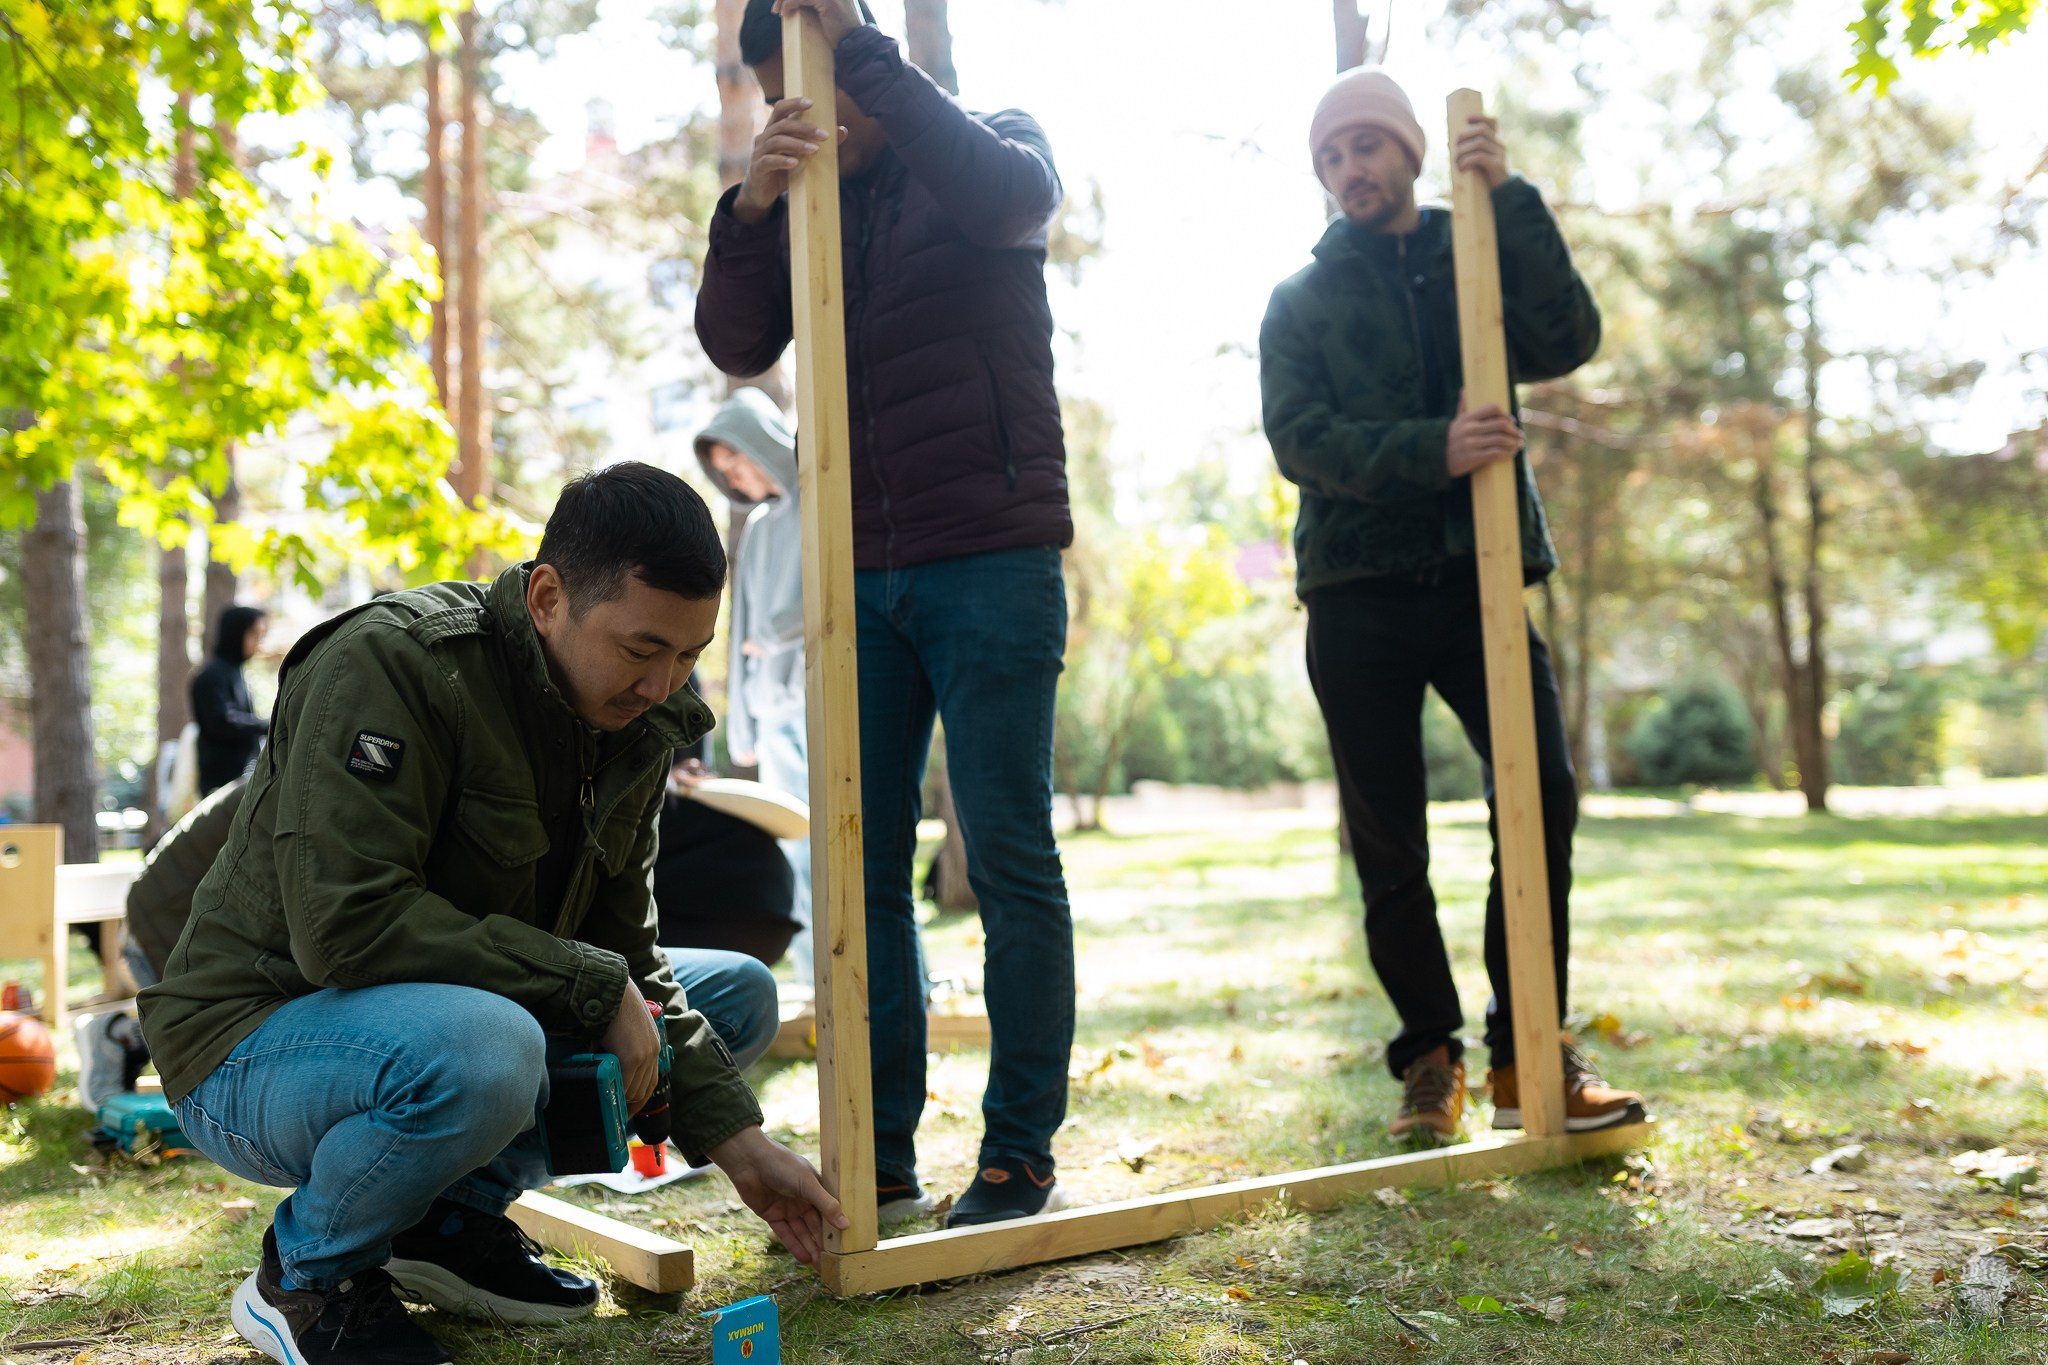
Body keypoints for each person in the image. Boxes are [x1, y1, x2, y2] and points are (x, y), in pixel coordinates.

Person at [138, 463, 845, 1365]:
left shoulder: (635, 723)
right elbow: (346, 929)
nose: (664, 684)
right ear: (548, 596)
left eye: (690, 654)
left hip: (443, 1018)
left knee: (736, 994)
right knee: (491, 1048)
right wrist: (593, 982)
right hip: (251, 1042)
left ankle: (443, 1225)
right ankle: (307, 1277)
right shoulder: (393, 664)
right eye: (640, 650)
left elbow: (628, 947)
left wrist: (740, 1144)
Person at [696, 0, 1076, 1228]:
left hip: (992, 559)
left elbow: (1006, 201)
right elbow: (733, 339)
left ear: (863, 60)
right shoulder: (810, 208)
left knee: (1009, 855)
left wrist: (861, 50)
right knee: (859, 876)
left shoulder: (981, 141)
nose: (794, 108)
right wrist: (750, 204)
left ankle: (1017, 1153)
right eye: (771, 91)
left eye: (810, 78)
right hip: (857, 577)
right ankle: (883, 1152)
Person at [1259, 70, 1645, 1142]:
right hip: (1354, 593)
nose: (1350, 171)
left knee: (1542, 800)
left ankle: (1530, 1049)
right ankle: (1428, 1058)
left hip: (1477, 580)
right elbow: (1302, 441)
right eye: (1332, 157)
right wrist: (1433, 449)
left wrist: (1508, 200)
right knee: (1387, 840)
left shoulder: (1465, 252)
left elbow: (1566, 336)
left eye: (1366, 149)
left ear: (1407, 154)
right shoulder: (1299, 300)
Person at [81, 771, 783, 1114]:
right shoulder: (363, 741)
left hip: (205, 912)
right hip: (170, 924)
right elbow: (348, 936)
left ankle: (461, 1213)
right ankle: (119, 1033)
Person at [694, 388, 814, 979]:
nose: (736, 475)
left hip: (820, 709)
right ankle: (825, 986)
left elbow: (830, 605)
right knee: (799, 859)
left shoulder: (822, 502)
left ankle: (893, 987)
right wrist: (741, 727)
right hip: (772, 721)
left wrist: (775, 635)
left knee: (848, 853)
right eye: (724, 472)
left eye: (737, 458)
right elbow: (741, 631)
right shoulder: (760, 528)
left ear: (761, 440)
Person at [191, 604, 270, 796]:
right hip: (221, 785)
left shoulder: (237, 673)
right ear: (236, 634)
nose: (258, 644)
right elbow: (222, 721)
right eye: (254, 635)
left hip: (242, 779)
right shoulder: (211, 676)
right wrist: (269, 724)